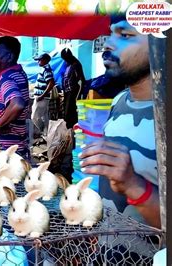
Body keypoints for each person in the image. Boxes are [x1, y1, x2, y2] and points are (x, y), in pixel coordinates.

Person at [79, 16, 160, 228]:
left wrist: (133, 185)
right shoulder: (119, 100)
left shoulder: (163, 115)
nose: (108, 43)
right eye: (111, 33)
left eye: (125, 35)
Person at [0, 36, 30, 160]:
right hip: (10, 147)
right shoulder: (14, 73)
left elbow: (17, 104)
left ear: (9, 56)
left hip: (5, 150)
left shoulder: (8, 78)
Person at [60, 48, 85, 129]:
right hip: (68, 93)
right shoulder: (69, 65)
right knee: (67, 115)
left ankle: (73, 135)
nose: (65, 61)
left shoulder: (76, 65)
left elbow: (82, 80)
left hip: (73, 93)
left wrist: (78, 96)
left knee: (71, 114)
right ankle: (69, 134)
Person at [32, 52, 54, 138]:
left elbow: (51, 83)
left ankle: (42, 132)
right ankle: (47, 134)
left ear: (45, 60)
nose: (38, 62)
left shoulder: (46, 70)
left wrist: (42, 96)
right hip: (43, 98)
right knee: (45, 117)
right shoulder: (44, 69)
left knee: (35, 117)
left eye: (39, 60)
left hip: (42, 98)